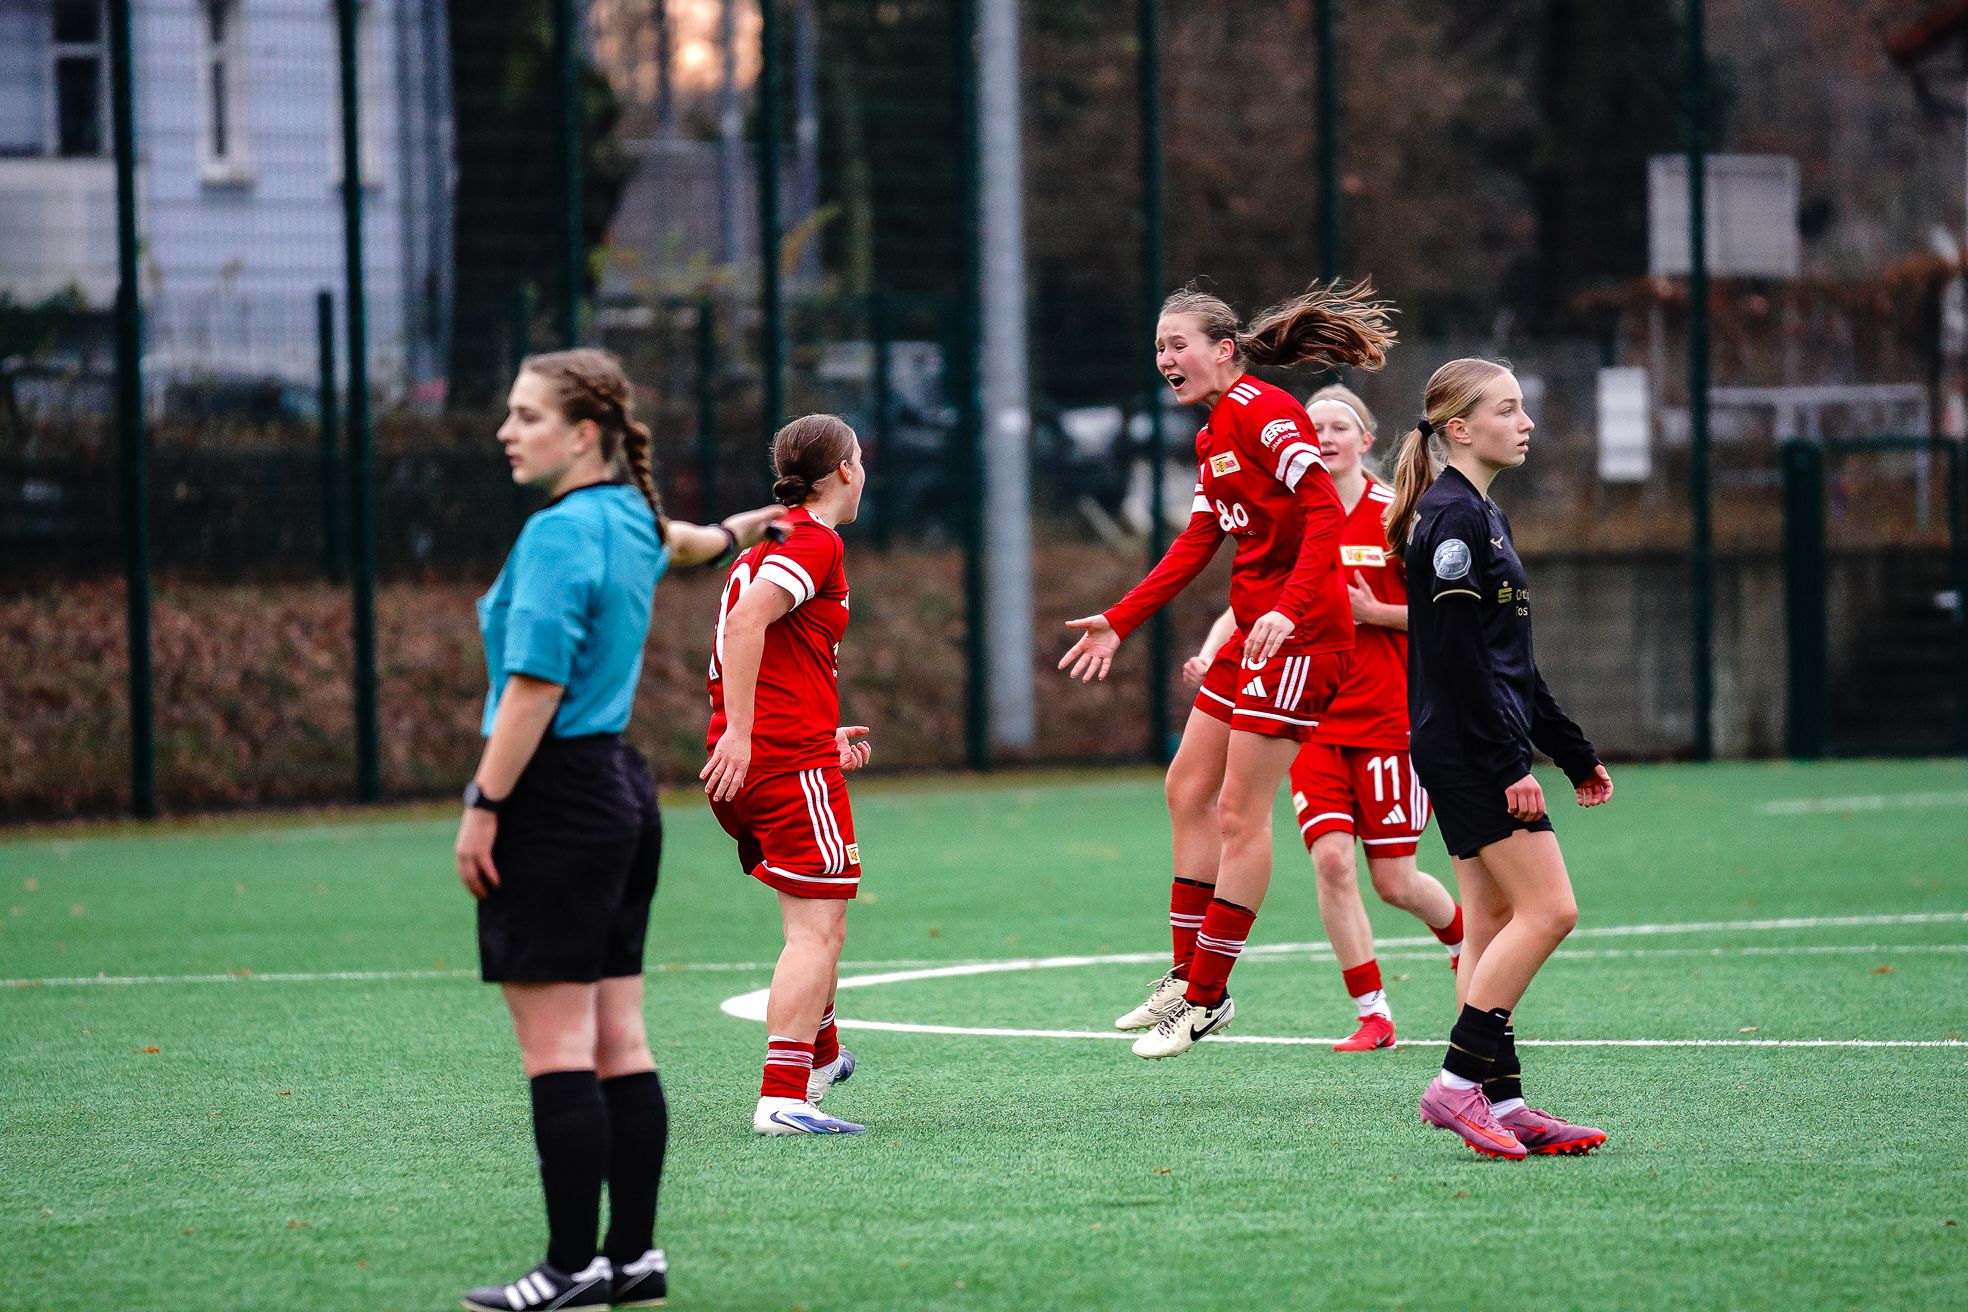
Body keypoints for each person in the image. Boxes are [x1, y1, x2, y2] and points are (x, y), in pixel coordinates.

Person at [456, 349, 785, 1311]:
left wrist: (483, 806)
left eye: (526, 416)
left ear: (584, 433)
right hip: (621, 792)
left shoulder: (561, 533)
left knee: (559, 1050)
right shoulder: (628, 517)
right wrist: (739, 531)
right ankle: (632, 1258)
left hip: (553, 797)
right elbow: (684, 541)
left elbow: (534, 689)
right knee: (620, 1043)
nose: (508, 432)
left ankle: (567, 1271)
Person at [1061, 279, 1396, 1060]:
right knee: (1186, 788)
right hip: (1256, 637)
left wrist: (1292, 606)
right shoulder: (1215, 436)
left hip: (1304, 640)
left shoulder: (1266, 412)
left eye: (1177, 344)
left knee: (1242, 814)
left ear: (1223, 349)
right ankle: (1188, 976)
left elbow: (1322, 509)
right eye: (1157, 347)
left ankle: (1207, 998)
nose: (1165, 359)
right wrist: (1121, 618)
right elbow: (1197, 541)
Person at [1183, 384, 1464, 1053]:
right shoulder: (1282, 515)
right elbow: (1252, 603)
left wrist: (1377, 617)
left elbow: (1451, 615)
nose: (1328, 436)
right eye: (1315, 426)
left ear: (1367, 440)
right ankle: (1373, 1012)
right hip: (1307, 719)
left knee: (1394, 881)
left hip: (1392, 721)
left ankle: (1464, 942)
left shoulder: (1398, 514)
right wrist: (1210, 653)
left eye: (1342, 426)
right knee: (1332, 864)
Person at [1387, 357, 1613, 1160]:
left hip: (1476, 745)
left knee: (1486, 923)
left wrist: (1571, 751)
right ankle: (1455, 1086)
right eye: (1508, 410)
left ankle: (1504, 1101)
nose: (1525, 423)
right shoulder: (1450, 519)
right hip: (1472, 750)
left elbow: (1512, 660)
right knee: (1551, 912)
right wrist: (1512, 761)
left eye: (1522, 408)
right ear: (1460, 429)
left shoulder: (1483, 515)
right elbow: (1454, 663)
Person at [700, 414, 876, 1135]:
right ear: (841, 471)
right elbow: (746, 625)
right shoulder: (814, 539)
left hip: (772, 752)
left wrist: (810, 731)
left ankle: (822, 1056)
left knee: (817, 921)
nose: (863, 471)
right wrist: (751, 735)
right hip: (773, 757)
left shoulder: (777, 538)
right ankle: (784, 1094)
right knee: (816, 930)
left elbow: (770, 647)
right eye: (859, 459)